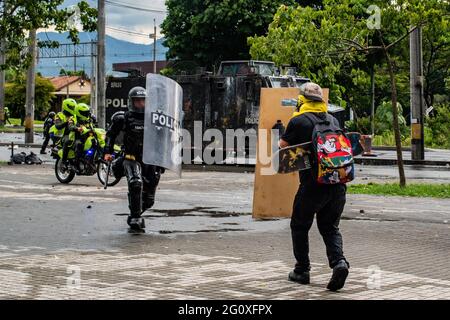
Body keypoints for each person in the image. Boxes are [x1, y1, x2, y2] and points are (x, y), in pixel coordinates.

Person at [279, 82, 350, 292]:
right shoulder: (333, 119)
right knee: (330, 227)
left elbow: (283, 149)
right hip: (338, 184)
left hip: (313, 185)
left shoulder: (298, 121)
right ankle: (339, 263)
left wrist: (289, 127)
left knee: (299, 225)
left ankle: (302, 270)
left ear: (302, 100)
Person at [104, 87, 163, 232]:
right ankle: (136, 218)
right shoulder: (122, 118)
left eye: (143, 101)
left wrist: (165, 158)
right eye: (137, 101)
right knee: (135, 183)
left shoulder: (154, 118)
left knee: (149, 200)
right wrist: (107, 152)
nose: (141, 104)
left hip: (150, 159)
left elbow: (165, 137)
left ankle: (134, 214)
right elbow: (110, 135)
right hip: (130, 157)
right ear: (131, 102)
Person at [54, 98, 78, 168]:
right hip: (60, 136)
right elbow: (57, 126)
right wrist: (66, 123)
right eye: (71, 107)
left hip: (72, 134)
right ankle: (64, 161)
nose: (73, 108)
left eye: (74, 107)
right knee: (68, 141)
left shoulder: (75, 115)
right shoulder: (59, 115)